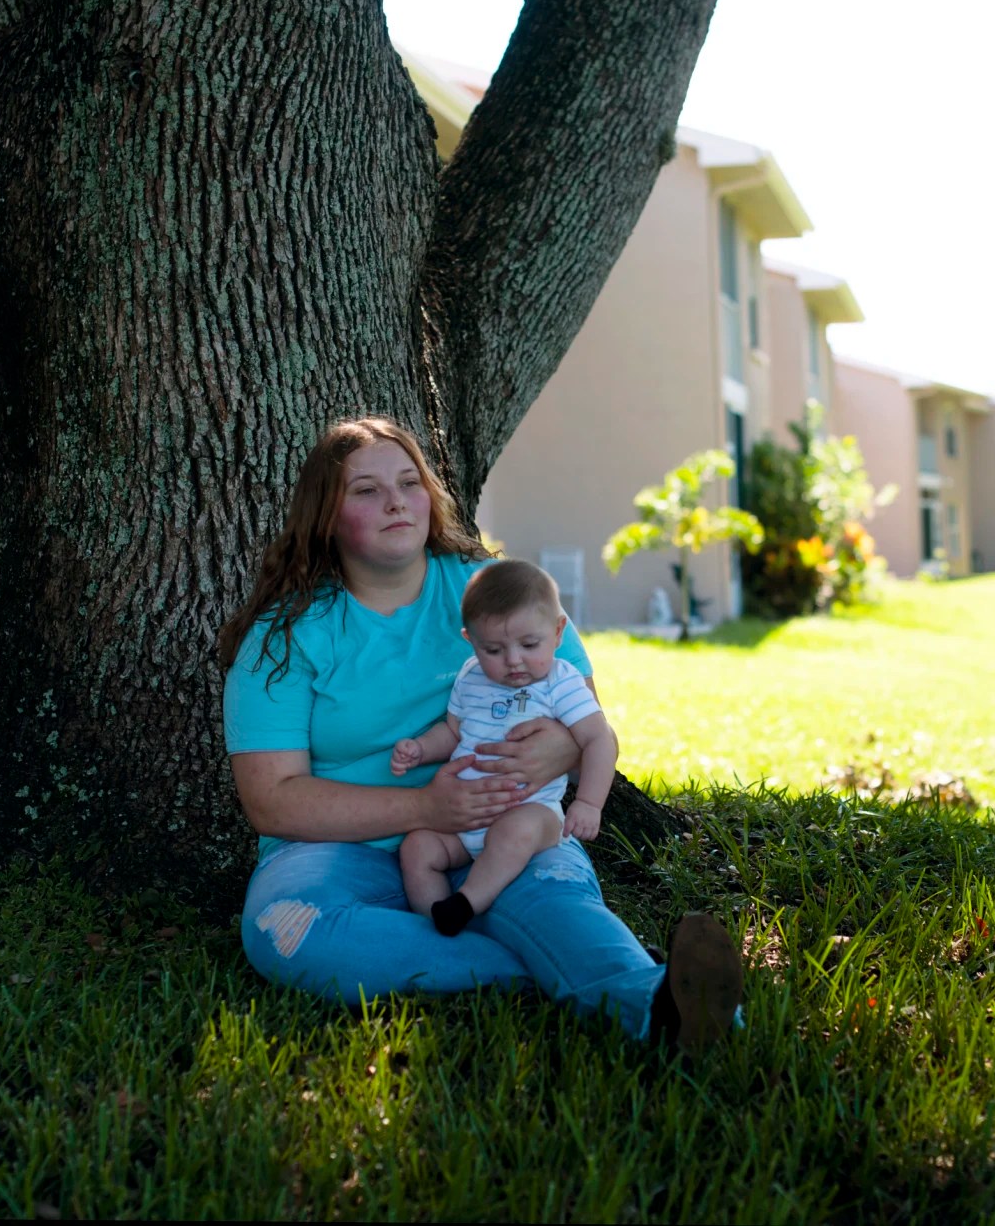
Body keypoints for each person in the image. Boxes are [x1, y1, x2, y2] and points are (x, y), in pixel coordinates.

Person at [220, 416, 743, 1051]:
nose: (395, 501)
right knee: (290, 929)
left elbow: (584, 722)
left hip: (504, 829)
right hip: (337, 852)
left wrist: (560, 752)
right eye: (365, 490)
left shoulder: (492, 591)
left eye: (409, 482)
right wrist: (424, 806)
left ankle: (658, 1009)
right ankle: (558, 970)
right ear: (324, 515)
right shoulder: (285, 635)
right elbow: (271, 799)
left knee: (555, 903)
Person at [392, 559, 618, 937]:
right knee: (417, 848)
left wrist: (589, 803)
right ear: (471, 640)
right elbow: (453, 732)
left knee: (514, 832)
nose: (513, 661)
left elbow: (598, 739)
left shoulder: (560, 682)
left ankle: (465, 904)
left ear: (558, 632)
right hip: (467, 822)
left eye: (530, 645)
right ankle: (435, 924)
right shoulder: (471, 676)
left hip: (534, 815)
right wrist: (420, 748)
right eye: (493, 649)